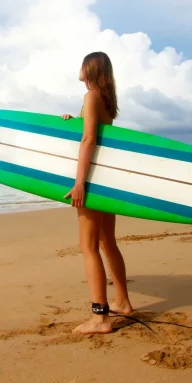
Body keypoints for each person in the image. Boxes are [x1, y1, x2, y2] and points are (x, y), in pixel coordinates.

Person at [62, 52, 133, 335]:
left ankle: (101, 317)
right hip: (106, 181)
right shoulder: (104, 101)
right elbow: (93, 132)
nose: (78, 69)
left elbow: (89, 139)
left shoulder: (91, 96)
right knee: (108, 243)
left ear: (90, 68)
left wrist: (79, 183)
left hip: (91, 180)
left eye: (82, 64)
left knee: (89, 247)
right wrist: (71, 121)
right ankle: (123, 302)